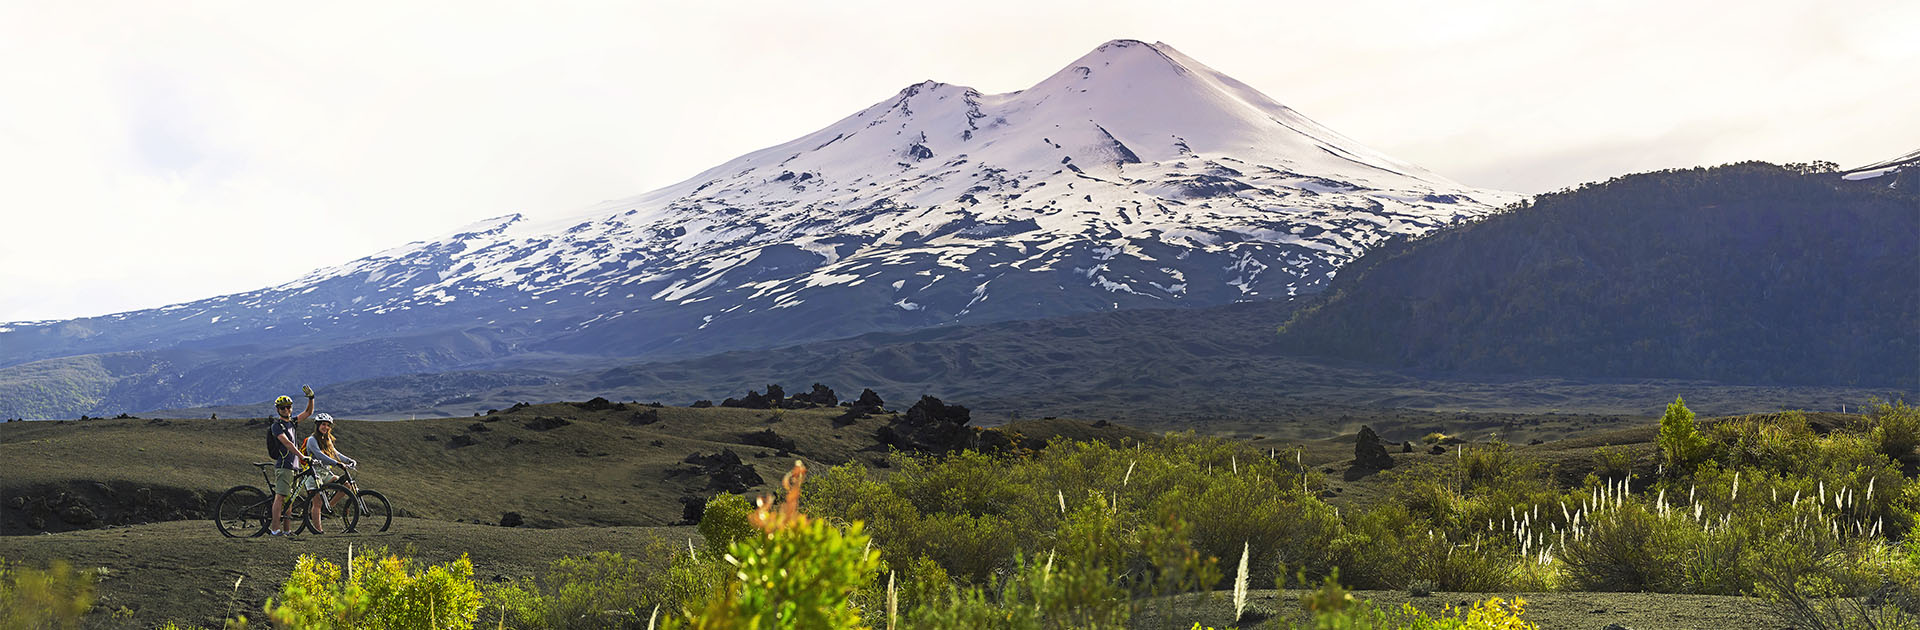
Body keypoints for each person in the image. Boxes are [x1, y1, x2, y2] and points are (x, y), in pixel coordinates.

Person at [267, 385, 315, 536]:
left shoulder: (292, 423)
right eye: (283, 408)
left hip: (294, 467)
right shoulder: (277, 426)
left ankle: (287, 530)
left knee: (290, 499)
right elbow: (287, 443)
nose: (286, 410)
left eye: (288, 407)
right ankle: (275, 530)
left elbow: (308, 412)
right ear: (278, 410)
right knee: (280, 497)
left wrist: (311, 398)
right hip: (284, 465)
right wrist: (302, 456)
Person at [303, 413, 360, 525]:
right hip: (313, 475)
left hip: (325, 473)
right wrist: (337, 463)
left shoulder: (327, 438)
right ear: (318, 425)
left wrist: (349, 460)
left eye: (328, 425)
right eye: (323, 424)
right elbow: (319, 455)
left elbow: (335, 453)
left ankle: (327, 508)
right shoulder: (312, 440)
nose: (326, 427)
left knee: (346, 485)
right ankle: (318, 531)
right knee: (317, 503)